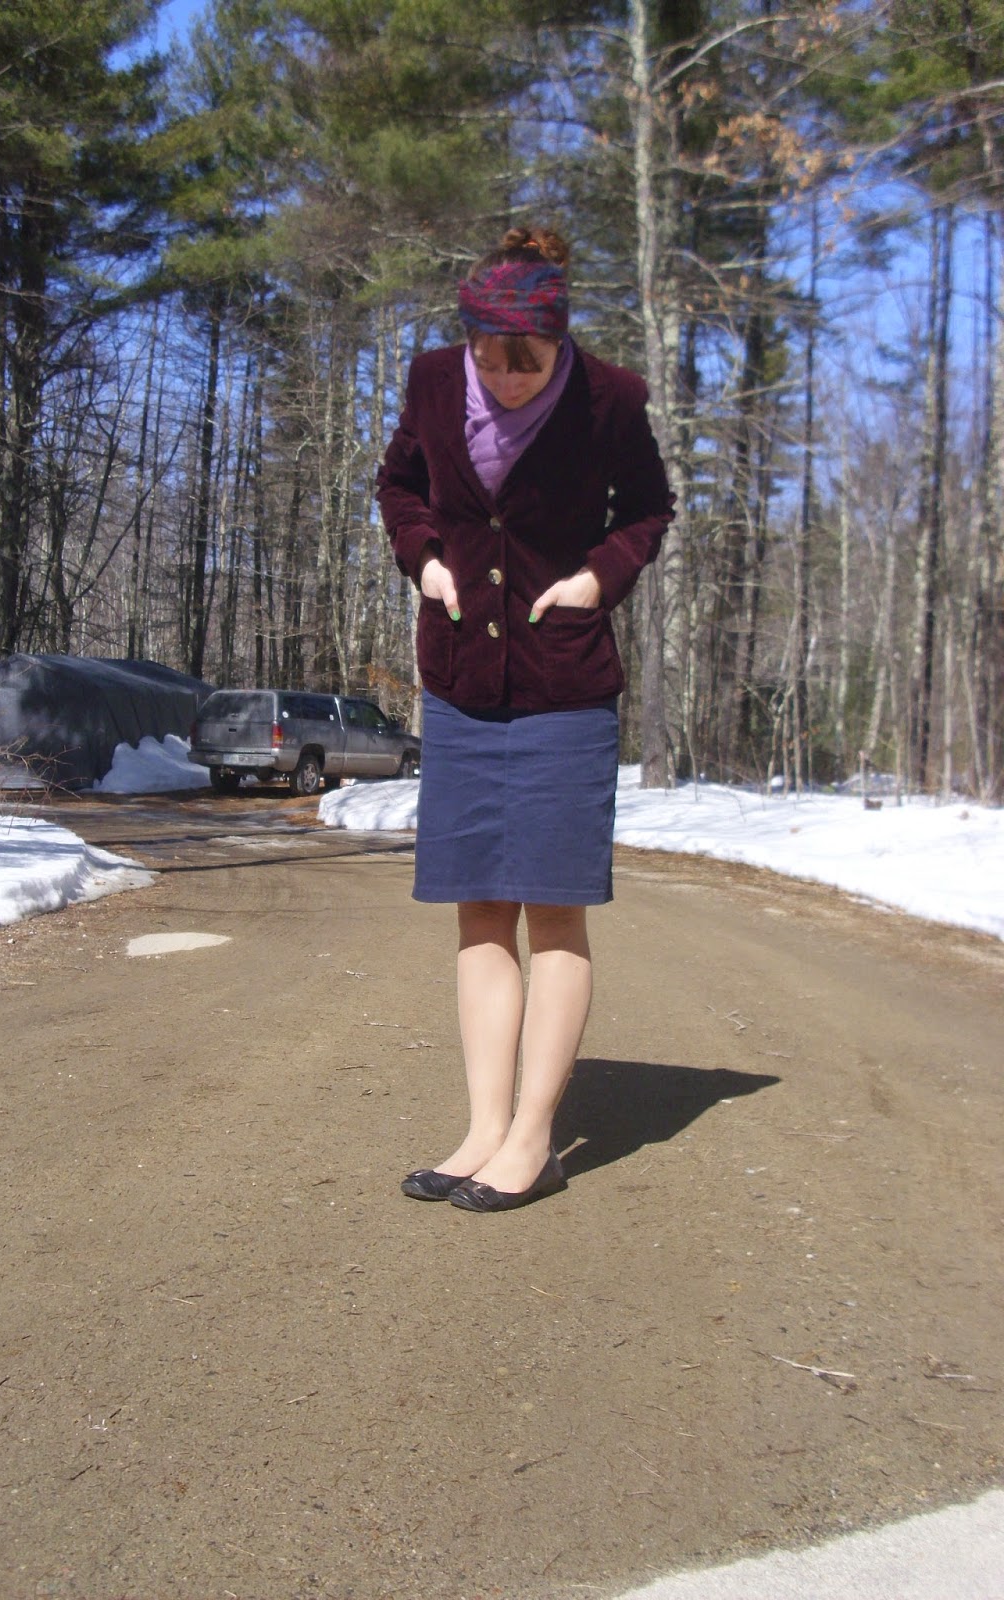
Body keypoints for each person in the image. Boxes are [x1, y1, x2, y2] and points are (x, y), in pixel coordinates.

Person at [375, 225, 675, 1211]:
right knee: (477, 913)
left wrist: (597, 578)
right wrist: (423, 558)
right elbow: (400, 483)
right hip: (462, 681)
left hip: (563, 688)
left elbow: (650, 510)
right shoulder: (429, 383)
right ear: (466, 336)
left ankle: (535, 1139)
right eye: (490, 356)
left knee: (553, 914)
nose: (506, 377)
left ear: (562, 342)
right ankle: (481, 1128)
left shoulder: (612, 398)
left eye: (529, 360)